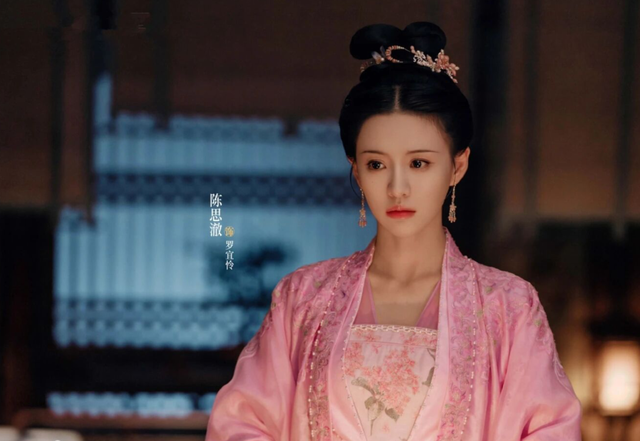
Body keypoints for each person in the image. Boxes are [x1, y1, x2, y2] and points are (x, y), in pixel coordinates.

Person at [205, 21, 582, 441]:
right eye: (376, 164)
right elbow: (242, 424)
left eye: (419, 163)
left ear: (457, 166)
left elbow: (549, 430)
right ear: (356, 171)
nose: (397, 187)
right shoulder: (304, 299)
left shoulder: (508, 307)